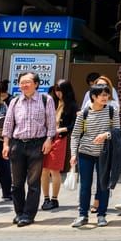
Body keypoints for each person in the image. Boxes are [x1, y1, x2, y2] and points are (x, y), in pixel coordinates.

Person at [1, 72, 56, 227]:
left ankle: (28, 214)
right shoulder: (15, 101)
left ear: (36, 84)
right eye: (21, 82)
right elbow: (8, 124)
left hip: (37, 144)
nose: (24, 85)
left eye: (28, 82)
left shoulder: (46, 100)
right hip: (17, 144)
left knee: (33, 182)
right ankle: (19, 212)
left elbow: (51, 124)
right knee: (16, 183)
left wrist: (49, 140)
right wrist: (6, 144)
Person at [69, 85, 118, 228]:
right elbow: (75, 135)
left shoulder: (111, 111)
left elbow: (116, 131)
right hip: (85, 152)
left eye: (106, 95)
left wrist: (105, 135)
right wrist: (73, 154)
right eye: (101, 95)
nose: (105, 97)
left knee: (103, 185)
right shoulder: (84, 113)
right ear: (93, 97)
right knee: (85, 185)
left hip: (104, 153)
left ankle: (101, 215)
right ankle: (82, 215)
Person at [40, 79, 77, 211]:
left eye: (60, 90)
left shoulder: (72, 105)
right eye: (56, 90)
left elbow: (74, 124)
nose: (58, 93)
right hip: (45, 138)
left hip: (60, 139)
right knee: (43, 169)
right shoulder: (51, 102)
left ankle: (54, 199)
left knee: (54, 169)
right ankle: (45, 198)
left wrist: (62, 129)